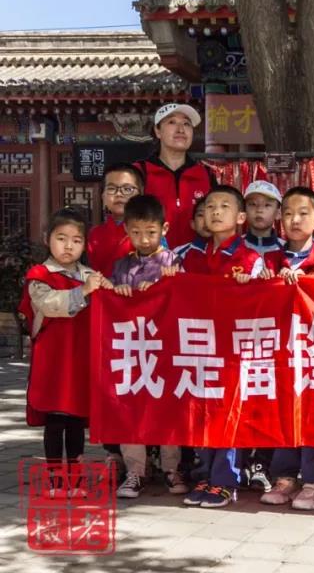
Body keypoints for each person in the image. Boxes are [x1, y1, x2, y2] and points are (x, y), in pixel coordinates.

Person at [180, 185, 265, 509]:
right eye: (210, 206)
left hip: (233, 350)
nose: (216, 212)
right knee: (201, 412)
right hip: (199, 345)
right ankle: (204, 474)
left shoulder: (250, 258)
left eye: (224, 206)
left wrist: (251, 286)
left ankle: (226, 480)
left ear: (241, 217)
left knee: (229, 413)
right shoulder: (191, 256)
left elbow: (261, 302)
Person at [20, 208, 112, 496]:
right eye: (61, 238)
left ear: (85, 245)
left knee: (75, 420)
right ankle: (55, 478)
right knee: (55, 419)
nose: (68, 246)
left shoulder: (91, 276)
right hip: (53, 359)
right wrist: (83, 291)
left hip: (81, 358)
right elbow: (48, 305)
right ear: (48, 239)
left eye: (76, 240)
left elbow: (112, 304)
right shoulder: (40, 275)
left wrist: (112, 290)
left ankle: (76, 476)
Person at [109, 195, 185, 499]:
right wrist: (118, 290)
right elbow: (110, 299)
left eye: (151, 232)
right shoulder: (121, 266)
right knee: (130, 409)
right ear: (126, 230)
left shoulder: (173, 262)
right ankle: (135, 471)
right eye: (136, 232)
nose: (143, 239)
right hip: (132, 349)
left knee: (168, 408)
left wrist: (165, 285)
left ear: (164, 229)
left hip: (166, 348)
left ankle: (171, 468)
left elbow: (186, 296)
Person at [134, 103, 215, 250]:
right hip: (152, 259)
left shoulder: (206, 174)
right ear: (157, 131)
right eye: (172, 122)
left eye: (186, 124)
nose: (181, 129)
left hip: (197, 259)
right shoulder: (139, 172)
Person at [263, 187, 314, 280]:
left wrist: (306, 280)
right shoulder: (270, 260)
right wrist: (267, 279)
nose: (295, 220)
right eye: (288, 214)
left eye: (303, 213)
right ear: (282, 220)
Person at [87, 163, 143, 277]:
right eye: (111, 189)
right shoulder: (94, 235)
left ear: (140, 194)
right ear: (103, 196)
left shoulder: (150, 232)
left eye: (127, 189)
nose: (119, 194)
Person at [243, 180, 284, 255]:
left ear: (278, 213)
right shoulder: (233, 248)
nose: (259, 210)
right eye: (253, 204)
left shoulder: (287, 251)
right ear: (244, 210)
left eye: (267, 205)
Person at [172, 197, 209, 263]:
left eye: (211, 214)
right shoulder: (178, 254)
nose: (206, 220)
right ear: (193, 224)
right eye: (201, 215)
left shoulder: (228, 253)